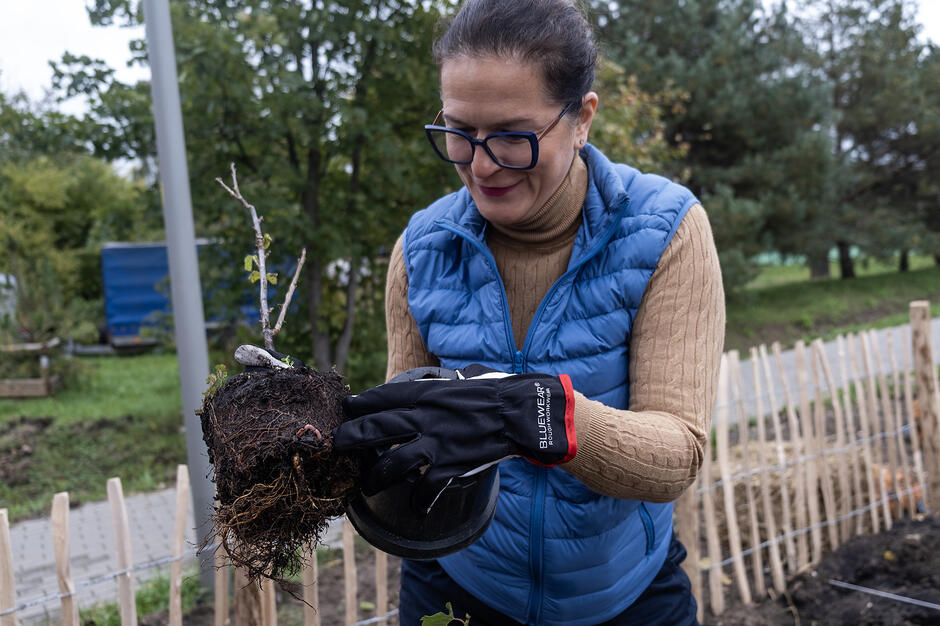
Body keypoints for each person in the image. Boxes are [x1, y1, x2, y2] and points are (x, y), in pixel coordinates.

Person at [333, 0, 725, 623]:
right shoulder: (421, 248)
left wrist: (538, 416)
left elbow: (676, 456)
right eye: (459, 133)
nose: (481, 166)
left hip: (623, 594)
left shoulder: (664, 231)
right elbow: (408, 431)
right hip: (459, 586)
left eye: (512, 137)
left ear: (582, 120)